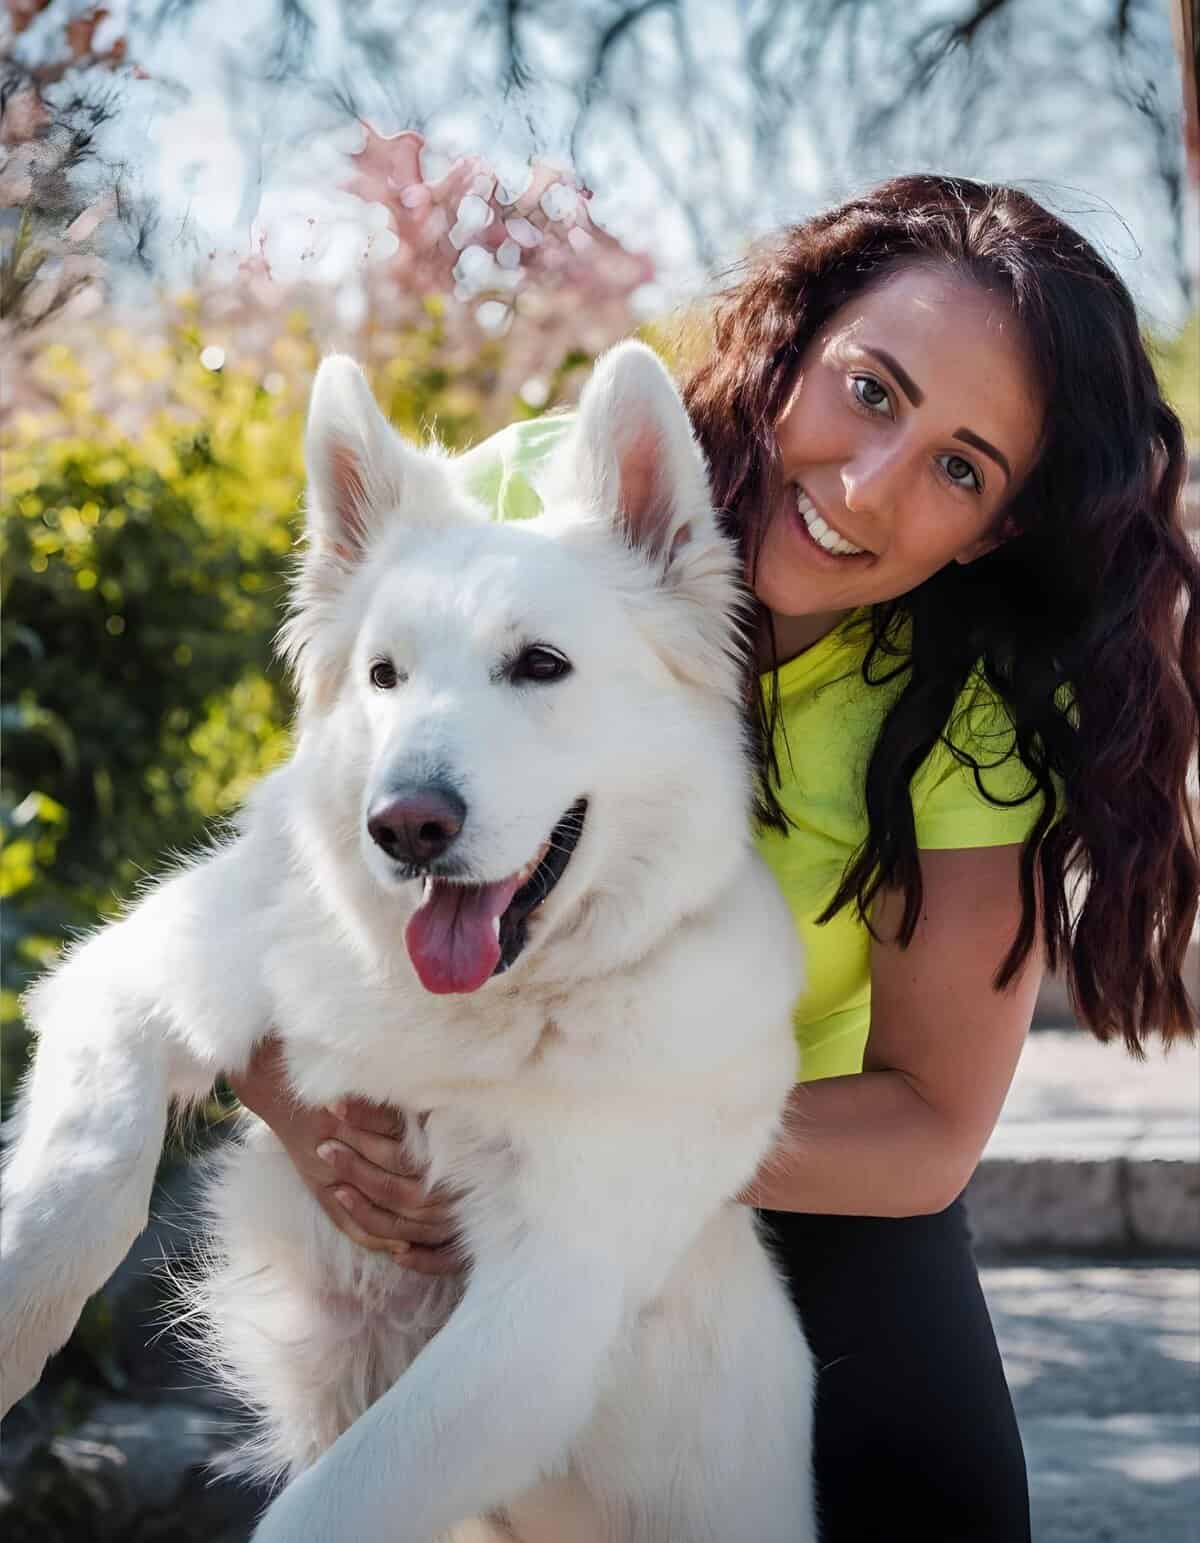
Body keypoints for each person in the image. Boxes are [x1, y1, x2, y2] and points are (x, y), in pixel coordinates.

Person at [231, 175, 1200, 1540]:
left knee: (943, 1512)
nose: (870, 488)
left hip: (790, 1164)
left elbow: (925, 1128)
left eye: (961, 468)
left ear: (1002, 530)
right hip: (433, 1135)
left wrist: (584, 1148)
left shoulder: (965, 713)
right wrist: (309, 1114)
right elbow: (275, 888)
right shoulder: (514, 503)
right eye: (871, 391)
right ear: (792, 340)